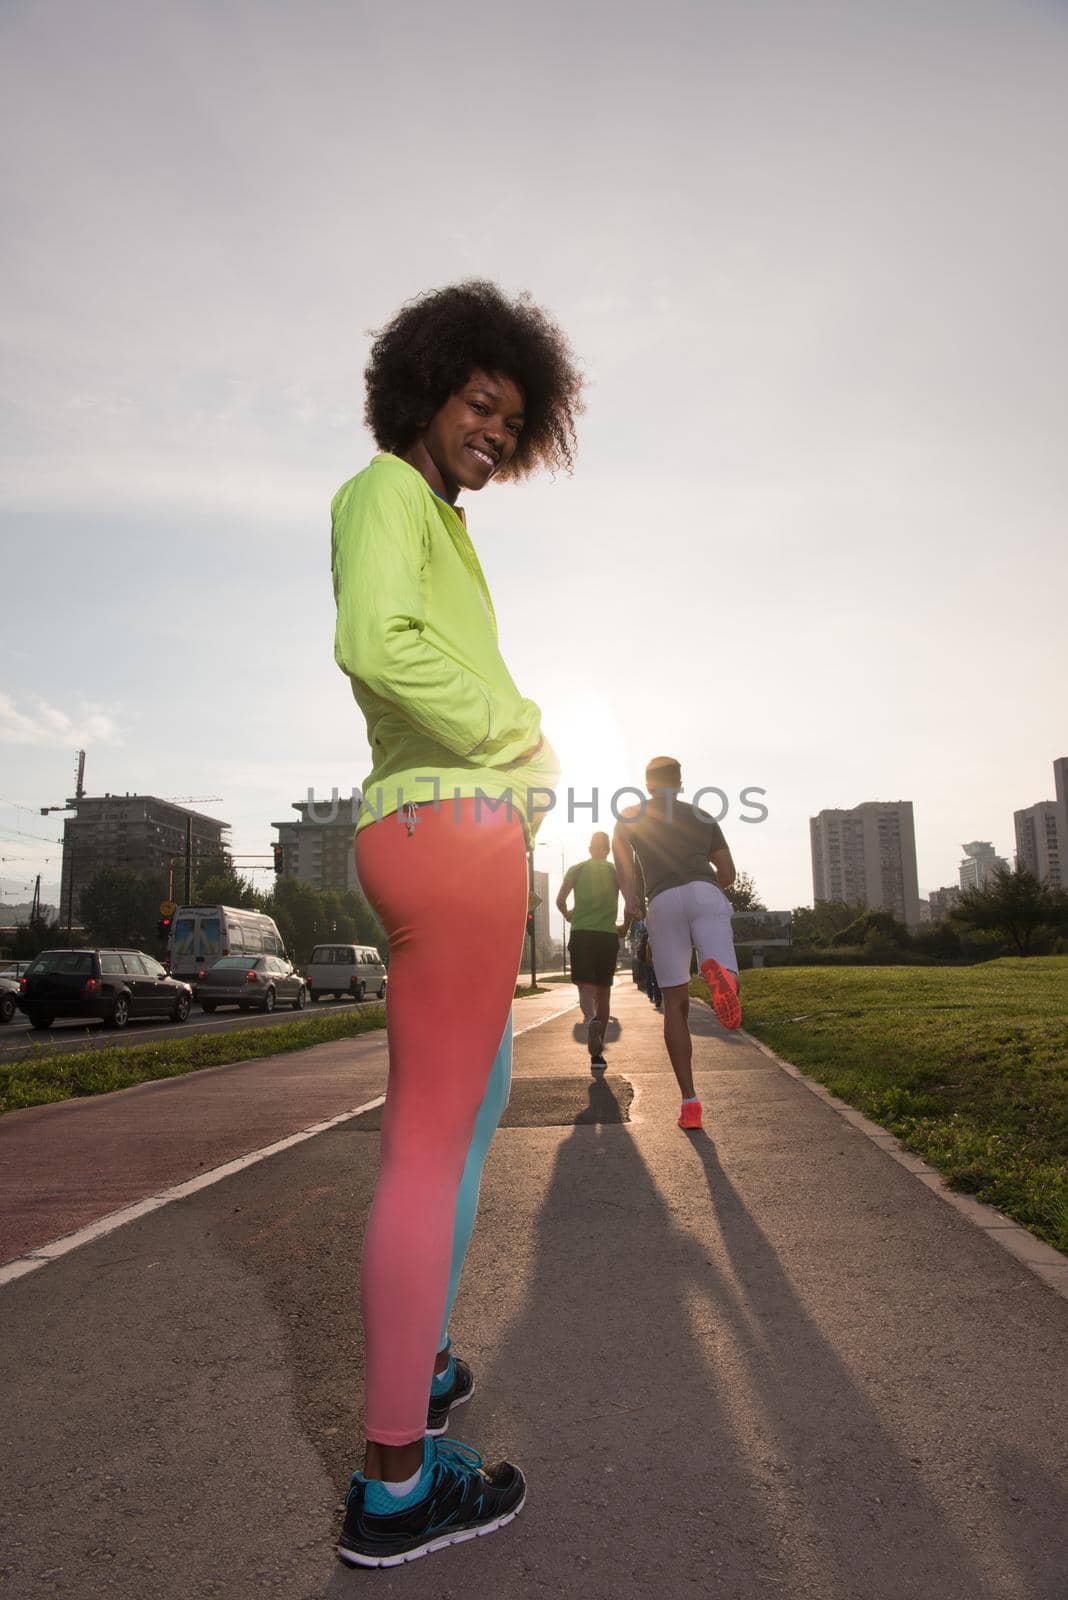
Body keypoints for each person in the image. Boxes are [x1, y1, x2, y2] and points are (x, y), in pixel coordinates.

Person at [331, 281, 582, 1568]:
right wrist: (520, 740)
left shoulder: (439, 515)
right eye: (479, 402)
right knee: (431, 1142)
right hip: (445, 824)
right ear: (426, 386)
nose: (494, 430)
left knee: (467, 1114)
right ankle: (393, 1486)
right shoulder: (384, 490)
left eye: (513, 418)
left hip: (456, 829)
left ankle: (420, 1367)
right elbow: (376, 645)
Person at [612, 755, 741, 1132]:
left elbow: (622, 861)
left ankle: (690, 1104)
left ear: (648, 784)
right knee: (724, 967)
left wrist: (631, 898)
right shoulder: (702, 815)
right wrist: (708, 882)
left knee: (675, 1005)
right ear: (680, 783)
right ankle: (724, 979)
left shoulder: (631, 814)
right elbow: (728, 873)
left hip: (663, 902)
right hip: (704, 892)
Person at [556, 831, 621, 1069]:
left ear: (589, 847)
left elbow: (560, 900)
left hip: (581, 932)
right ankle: (598, 1052)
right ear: (607, 850)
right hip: (606, 933)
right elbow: (631, 901)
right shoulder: (615, 871)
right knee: (604, 992)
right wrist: (625, 925)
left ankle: (589, 1018)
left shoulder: (577, 869)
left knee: (585, 986)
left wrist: (568, 914)